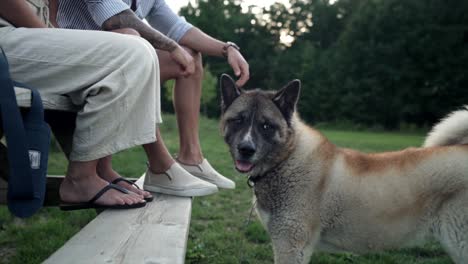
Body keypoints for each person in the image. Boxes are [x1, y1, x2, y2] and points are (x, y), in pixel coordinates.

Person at [54, 0, 250, 196]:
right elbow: (115, 18)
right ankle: (160, 166)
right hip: (70, 57)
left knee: (190, 56)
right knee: (133, 42)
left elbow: (178, 28)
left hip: (108, 60)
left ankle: (191, 158)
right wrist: (172, 47)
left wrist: (228, 49)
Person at [0, 0, 172, 210]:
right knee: (133, 54)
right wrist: (49, 36)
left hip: (24, 33)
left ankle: (101, 170)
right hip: (9, 33)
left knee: (134, 43)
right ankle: (80, 179)